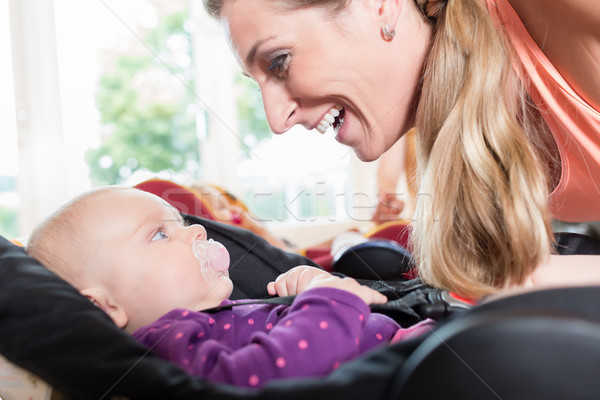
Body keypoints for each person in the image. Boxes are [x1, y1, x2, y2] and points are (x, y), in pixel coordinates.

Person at [201, 0, 600, 300]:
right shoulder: (452, 112)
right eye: (258, 84)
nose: (276, 119)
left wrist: (533, 280)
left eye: (279, 62)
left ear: (380, 5)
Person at [26, 186, 432, 388]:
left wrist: (312, 287)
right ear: (103, 308)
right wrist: (329, 302)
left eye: (182, 224)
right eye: (158, 236)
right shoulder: (167, 347)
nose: (199, 231)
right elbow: (265, 375)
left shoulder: (221, 313)